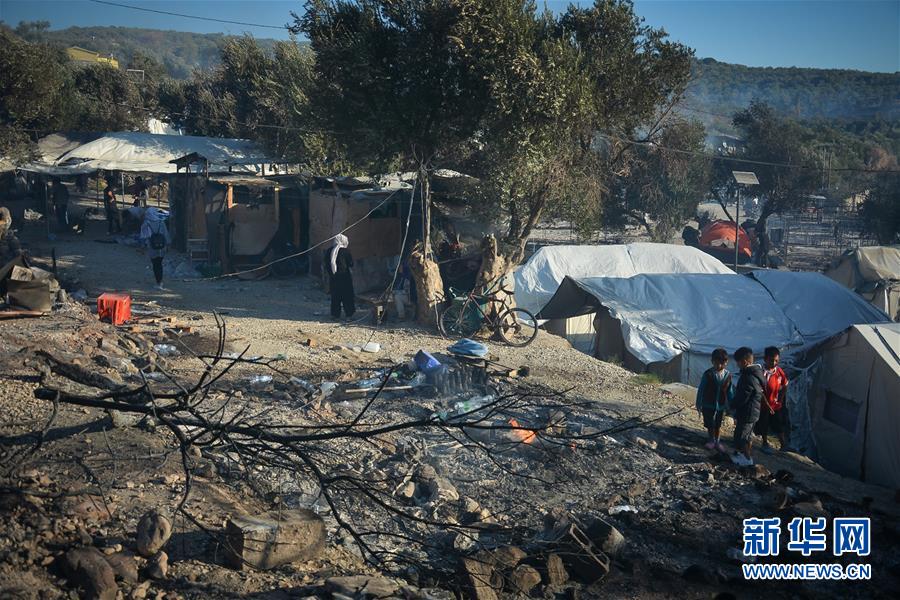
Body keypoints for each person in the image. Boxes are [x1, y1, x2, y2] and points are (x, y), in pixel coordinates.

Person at [730, 346, 766, 467]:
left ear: (744, 362)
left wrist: (732, 405)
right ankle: (744, 456)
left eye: (738, 363)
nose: (737, 365)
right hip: (754, 411)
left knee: (742, 436)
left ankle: (746, 459)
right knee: (748, 435)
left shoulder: (748, 377)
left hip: (747, 411)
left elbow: (743, 396)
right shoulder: (757, 373)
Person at [695, 348, 733, 452]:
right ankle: (711, 440)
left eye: (721, 363)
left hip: (720, 405)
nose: (719, 366)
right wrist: (698, 403)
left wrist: (732, 405)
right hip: (708, 404)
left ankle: (717, 441)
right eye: (716, 363)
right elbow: (701, 389)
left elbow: (730, 391)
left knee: (718, 424)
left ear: (726, 362)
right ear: (712, 361)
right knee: (710, 423)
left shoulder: (728, 375)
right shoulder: (708, 374)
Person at [755, 346, 790, 453]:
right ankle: (765, 443)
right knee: (764, 424)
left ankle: (783, 444)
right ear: (765, 359)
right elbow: (759, 391)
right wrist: (767, 405)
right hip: (763, 405)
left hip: (775, 405)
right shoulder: (762, 372)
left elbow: (785, 385)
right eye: (771, 360)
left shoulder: (779, 371)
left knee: (778, 424)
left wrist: (780, 400)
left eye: (776, 361)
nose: (774, 363)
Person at [140, 208, 170, 290]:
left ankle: (158, 282)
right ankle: (160, 281)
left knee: (155, 264)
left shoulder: (146, 223)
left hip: (152, 247)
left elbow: (143, 236)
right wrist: (168, 245)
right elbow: (166, 234)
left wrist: (142, 246)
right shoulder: (161, 222)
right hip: (162, 247)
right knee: (160, 264)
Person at [328, 234, 355, 320]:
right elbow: (351, 263)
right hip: (344, 278)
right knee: (347, 296)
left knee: (335, 296)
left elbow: (326, 264)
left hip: (333, 278)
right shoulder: (346, 251)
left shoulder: (329, 251)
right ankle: (349, 316)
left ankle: (335, 315)